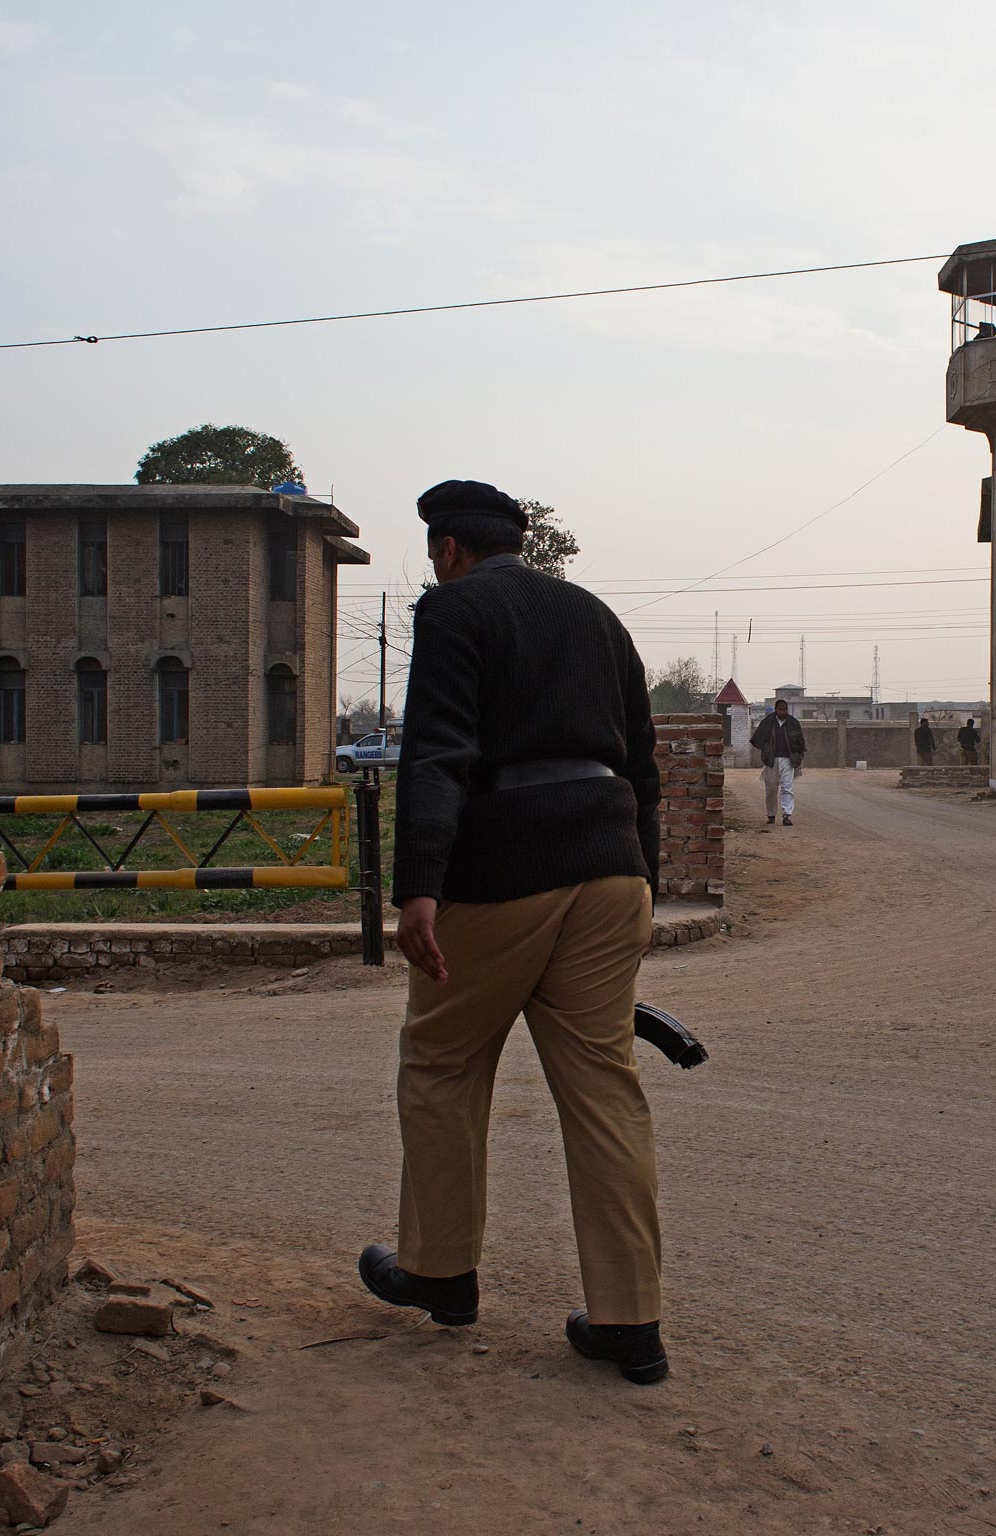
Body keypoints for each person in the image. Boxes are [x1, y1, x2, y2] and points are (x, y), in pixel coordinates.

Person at [358, 478, 671, 1386]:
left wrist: (418, 886)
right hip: (611, 870)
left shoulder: (454, 610)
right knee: (606, 1089)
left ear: (449, 549)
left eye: (433, 554)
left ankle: (441, 1274)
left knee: (443, 1061)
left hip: (505, 868)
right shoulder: (596, 616)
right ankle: (629, 1322)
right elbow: (642, 762)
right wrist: (641, 875)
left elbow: (439, 749)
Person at [750, 698, 804, 826]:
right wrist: (767, 749)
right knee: (771, 789)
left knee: (787, 788)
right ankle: (771, 815)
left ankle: (787, 815)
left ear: (787, 710)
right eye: (780, 709)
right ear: (776, 710)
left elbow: (799, 742)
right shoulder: (768, 722)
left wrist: (798, 758)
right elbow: (758, 739)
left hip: (788, 759)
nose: (782, 711)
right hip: (771, 760)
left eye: (784, 709)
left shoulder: (793, 723)